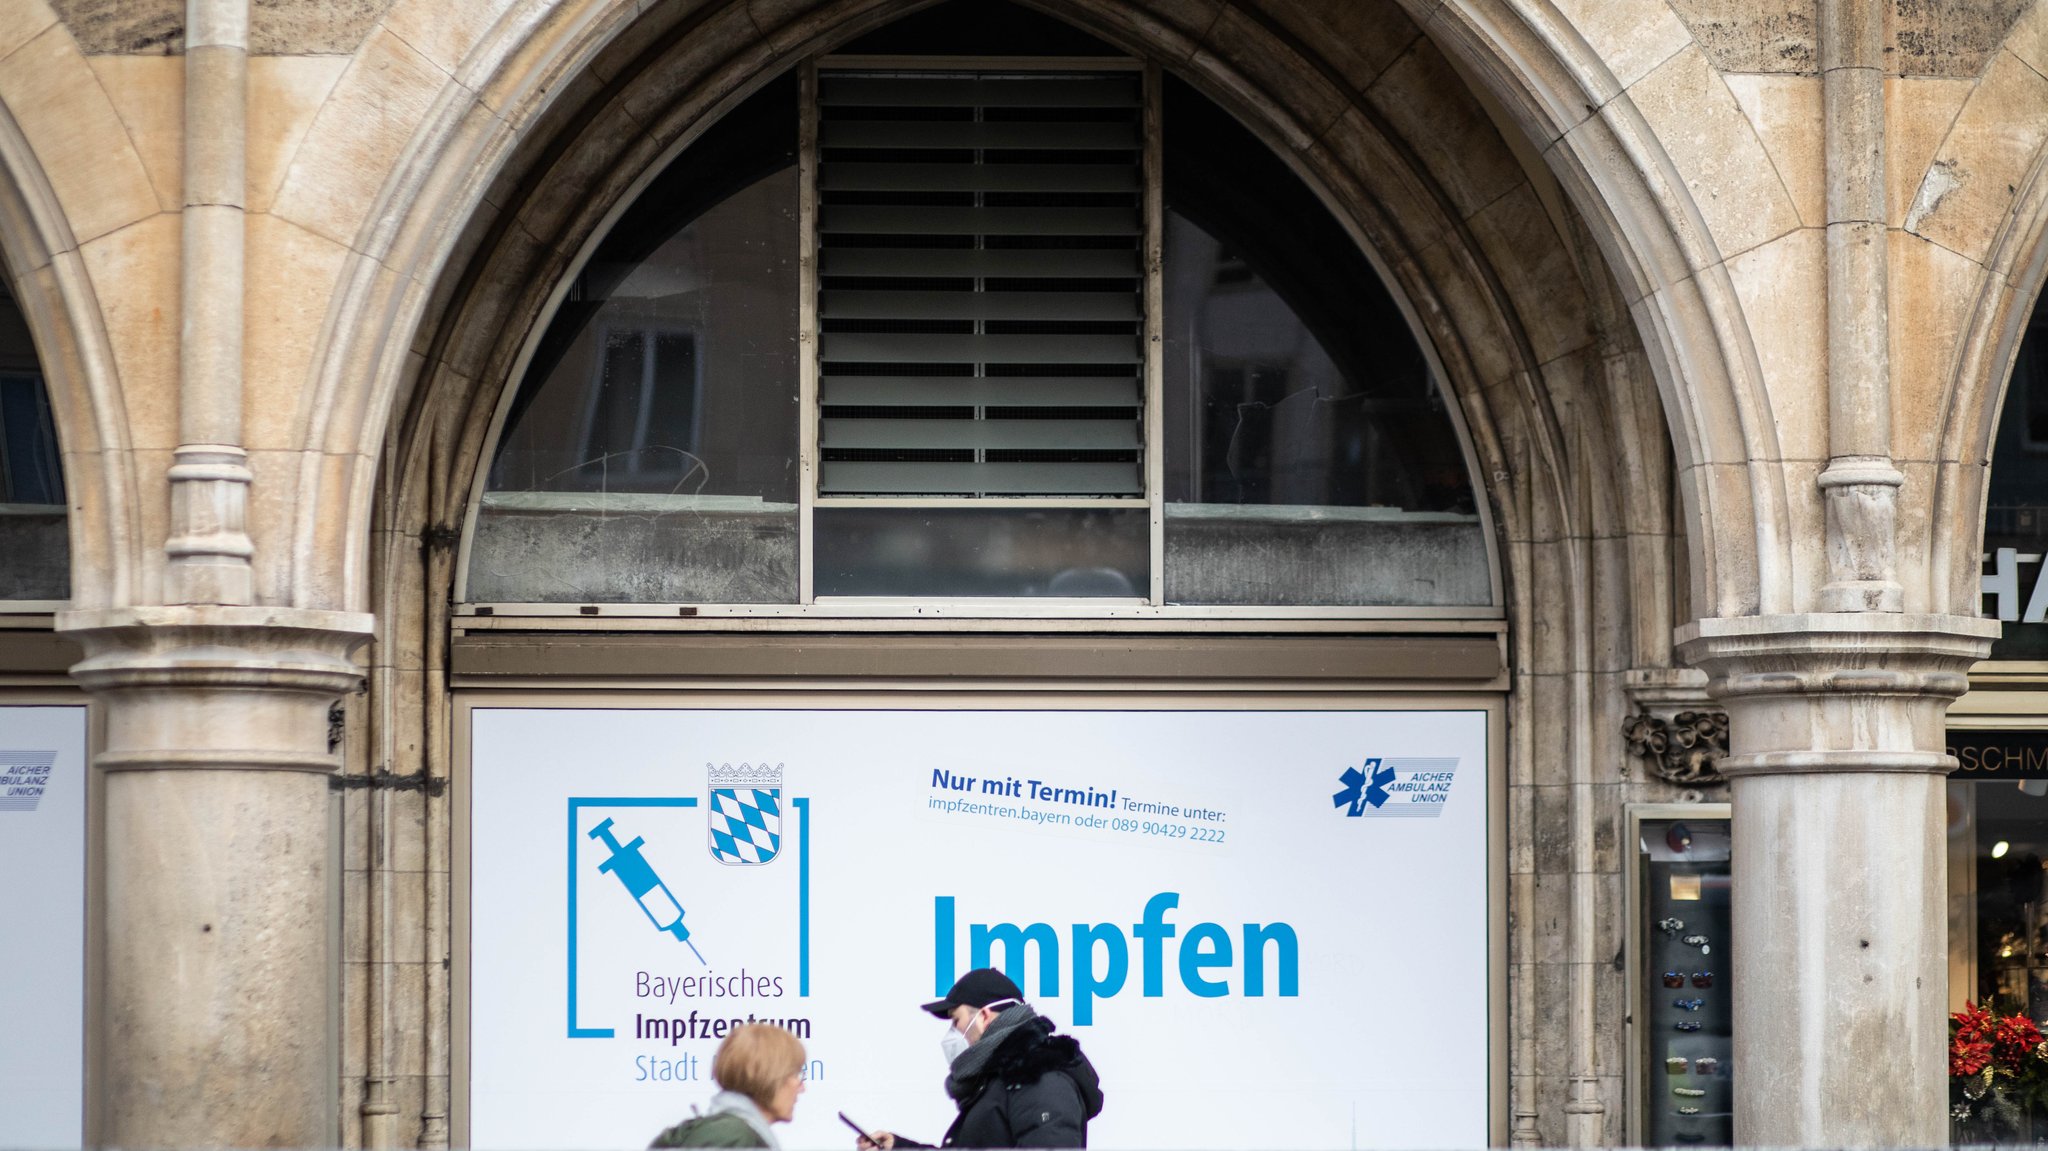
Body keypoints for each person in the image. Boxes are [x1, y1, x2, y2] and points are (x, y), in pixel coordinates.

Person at [861, 969, 1103, 1149]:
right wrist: (898, 1148)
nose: (952, 1033)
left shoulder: (1039, 1076)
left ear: (984, 1016)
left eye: (956, 1020)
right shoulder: (1002, 1080)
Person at [650, 1022, 808, 1148]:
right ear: (769, 1075)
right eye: (794, 1074)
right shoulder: (733, 1136)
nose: (801, 1088)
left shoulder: (734, 1134)